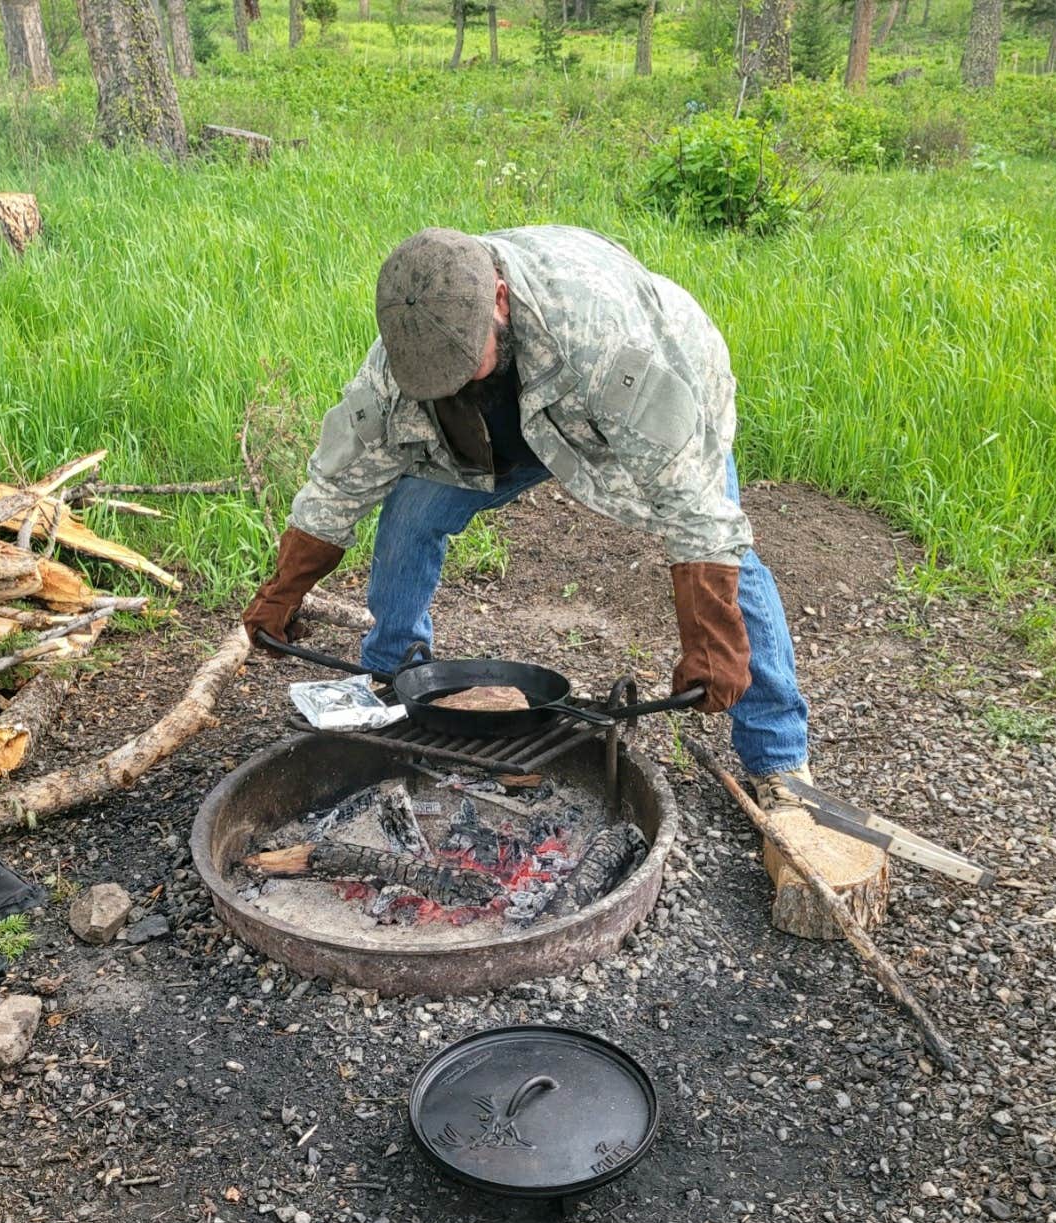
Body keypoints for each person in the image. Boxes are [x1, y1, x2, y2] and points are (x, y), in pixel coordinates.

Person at [242, 224, 812, 809]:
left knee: (728, 561)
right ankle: (394, 677)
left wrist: (710, 638)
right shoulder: (408, 349)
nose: (456, 379)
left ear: (499, 298)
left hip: (648, 399)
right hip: (507, 426)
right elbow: (342, 475)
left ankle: (780, 760)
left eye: (467, 362)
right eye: (442, 378)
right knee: (411, 514)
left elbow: (697, 510)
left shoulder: (604, 342)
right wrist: (286, 590)